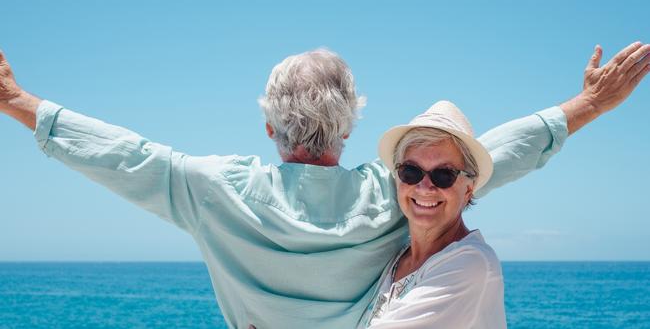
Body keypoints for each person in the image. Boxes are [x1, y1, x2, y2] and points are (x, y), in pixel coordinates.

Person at [1, 43, 648, 328]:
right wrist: (586, 106)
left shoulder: (211, 189)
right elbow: (493, 156)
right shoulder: (394, 194)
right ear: (351, 123)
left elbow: (124, 156)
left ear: (268, 126)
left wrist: (18, 101)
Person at [358, 100, 513, 328]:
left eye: (443, 175)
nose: (425, 187)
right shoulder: (399, 258)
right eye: (411, 172)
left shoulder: (471, 264)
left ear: (468, 190)